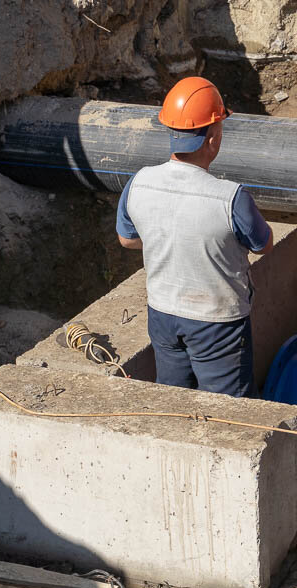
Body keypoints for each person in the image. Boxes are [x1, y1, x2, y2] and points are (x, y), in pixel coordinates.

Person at [116, 77, 273, 397]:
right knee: (231, 410)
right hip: (218, 321)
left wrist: (170, 240)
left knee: (173, 400)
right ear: (213, 137)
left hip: (162, 315)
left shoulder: (139, 182)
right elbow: (263, 245)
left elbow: (127, 239)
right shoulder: (230, 198)